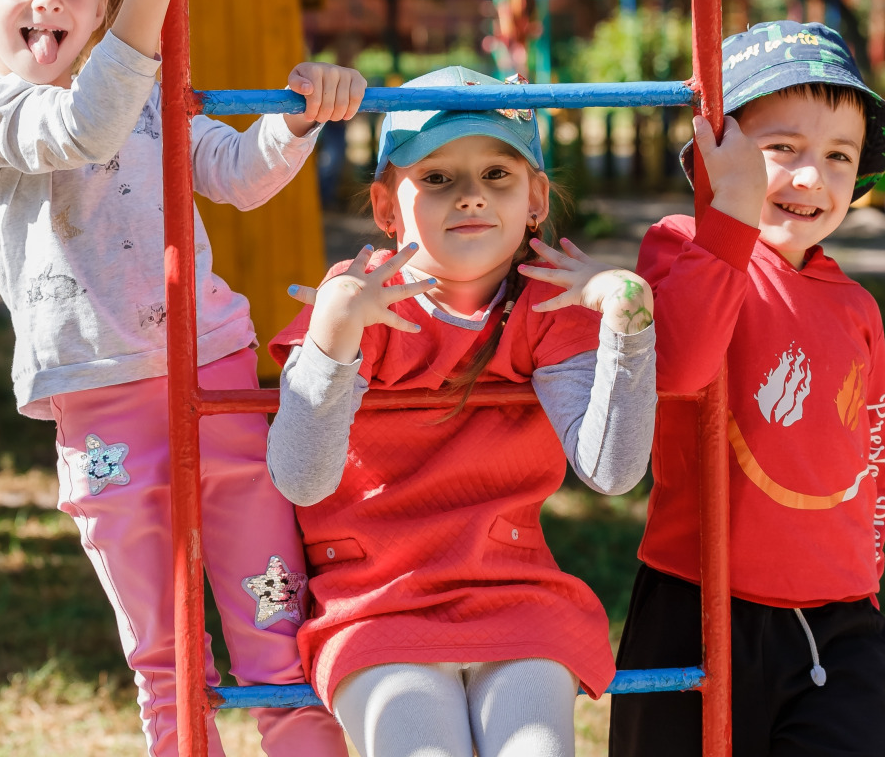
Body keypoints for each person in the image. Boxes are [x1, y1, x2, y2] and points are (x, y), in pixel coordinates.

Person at [0, 0, 361, 757]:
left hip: (211, 373)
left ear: (102, 0)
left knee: (278, 640)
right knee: (168, 658)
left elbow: (239, 175)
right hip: (102, 405)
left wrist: (299, 116)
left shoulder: (148, 91)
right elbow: (76, 130)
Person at [265, 65, 660, 757]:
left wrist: (629, 325)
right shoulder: (359, 298)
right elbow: (301, 477)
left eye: (498, 176)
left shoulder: (550, 303)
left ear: (536, 198)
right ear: (388, 210)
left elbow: (611, 470)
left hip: (515, 594)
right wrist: (334, 335)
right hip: (376, 597)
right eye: (438, 178)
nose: (472, 196)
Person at [610, 21, 885, 757]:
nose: (812, 177)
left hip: (839, 616)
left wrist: (864, 572)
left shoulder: (854, 305)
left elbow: (875, 452)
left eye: (838, 156)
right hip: (699, 599)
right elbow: (678, 369)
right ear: (718, 159)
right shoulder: (685, 247)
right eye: (781, 150)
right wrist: (730, 222)